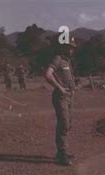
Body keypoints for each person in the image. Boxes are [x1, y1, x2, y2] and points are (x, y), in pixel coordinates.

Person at [44, 38, 77, 166]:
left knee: (67, 124)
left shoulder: (67, 62)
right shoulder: (57, 59)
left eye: (73, 47)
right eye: (69, 47)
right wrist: (60, 88)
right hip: (61, 97)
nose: (72, 49)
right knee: (63, 123)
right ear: (63, 47)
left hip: (69, 97)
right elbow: (48, 75)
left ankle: (62, 150)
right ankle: (61, 153)